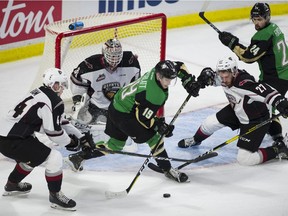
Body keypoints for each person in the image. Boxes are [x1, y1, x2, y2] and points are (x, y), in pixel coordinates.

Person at [65, 60, 201, 182]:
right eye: (167, 79)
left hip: (116, 106)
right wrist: (159, 126)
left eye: (172, 79)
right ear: (159, 76)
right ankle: (167, 169)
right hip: (126, 116)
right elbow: (143, 118)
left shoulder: (157, 70)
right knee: (154, 138)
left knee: (114, 145)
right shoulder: (154, 94)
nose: (169, 83)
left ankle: (78, 157)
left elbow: (179, 65)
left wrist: (188, 81)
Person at [0, 68, 92, 211]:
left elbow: (61, 122)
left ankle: (12, 184)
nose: (61, 89)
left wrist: (81, 137)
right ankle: (55, 196)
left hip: (10, 136)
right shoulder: (54, 101)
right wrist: (72, 143)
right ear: (50, 84)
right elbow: (54, 133)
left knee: (33, 156)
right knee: (54, 157)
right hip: (13, 140)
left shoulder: (39, 91)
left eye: (61, 85)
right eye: (58, 85)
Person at [178, 57, 288, 166]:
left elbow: (267, 91)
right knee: (209, 123)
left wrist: (281, 102)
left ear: (234, 72)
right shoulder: (225, 76)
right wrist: (203, 79)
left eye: (226, 77)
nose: (224, 80)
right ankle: (195, 140)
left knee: (245, 159)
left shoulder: (244, 83)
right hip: (238, 110)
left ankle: (278, 149)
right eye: (222, 77)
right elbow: (212, 78)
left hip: (255, 119)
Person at [218, 2, 288, 142]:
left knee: (266, 107)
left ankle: (279, 141)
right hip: (282, 73)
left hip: (276, 78)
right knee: (269, 106)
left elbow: (248, 57)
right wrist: (235, 43)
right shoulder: (274, 28)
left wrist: (232, 43)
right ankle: (278, 138)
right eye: (254, 19)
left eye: (260, 20)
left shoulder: (263, 35)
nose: (256, 23)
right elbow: (256, 51)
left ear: (267, 17)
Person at [70, 38, 141, 125]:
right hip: (97, 108)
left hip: (122, 107)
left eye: (117, 55)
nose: (114, 60)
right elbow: (77, 82)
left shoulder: (130, 63)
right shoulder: (90, 65)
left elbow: (137, 86)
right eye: (111, 56)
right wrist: (78, 102)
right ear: (104, 54)